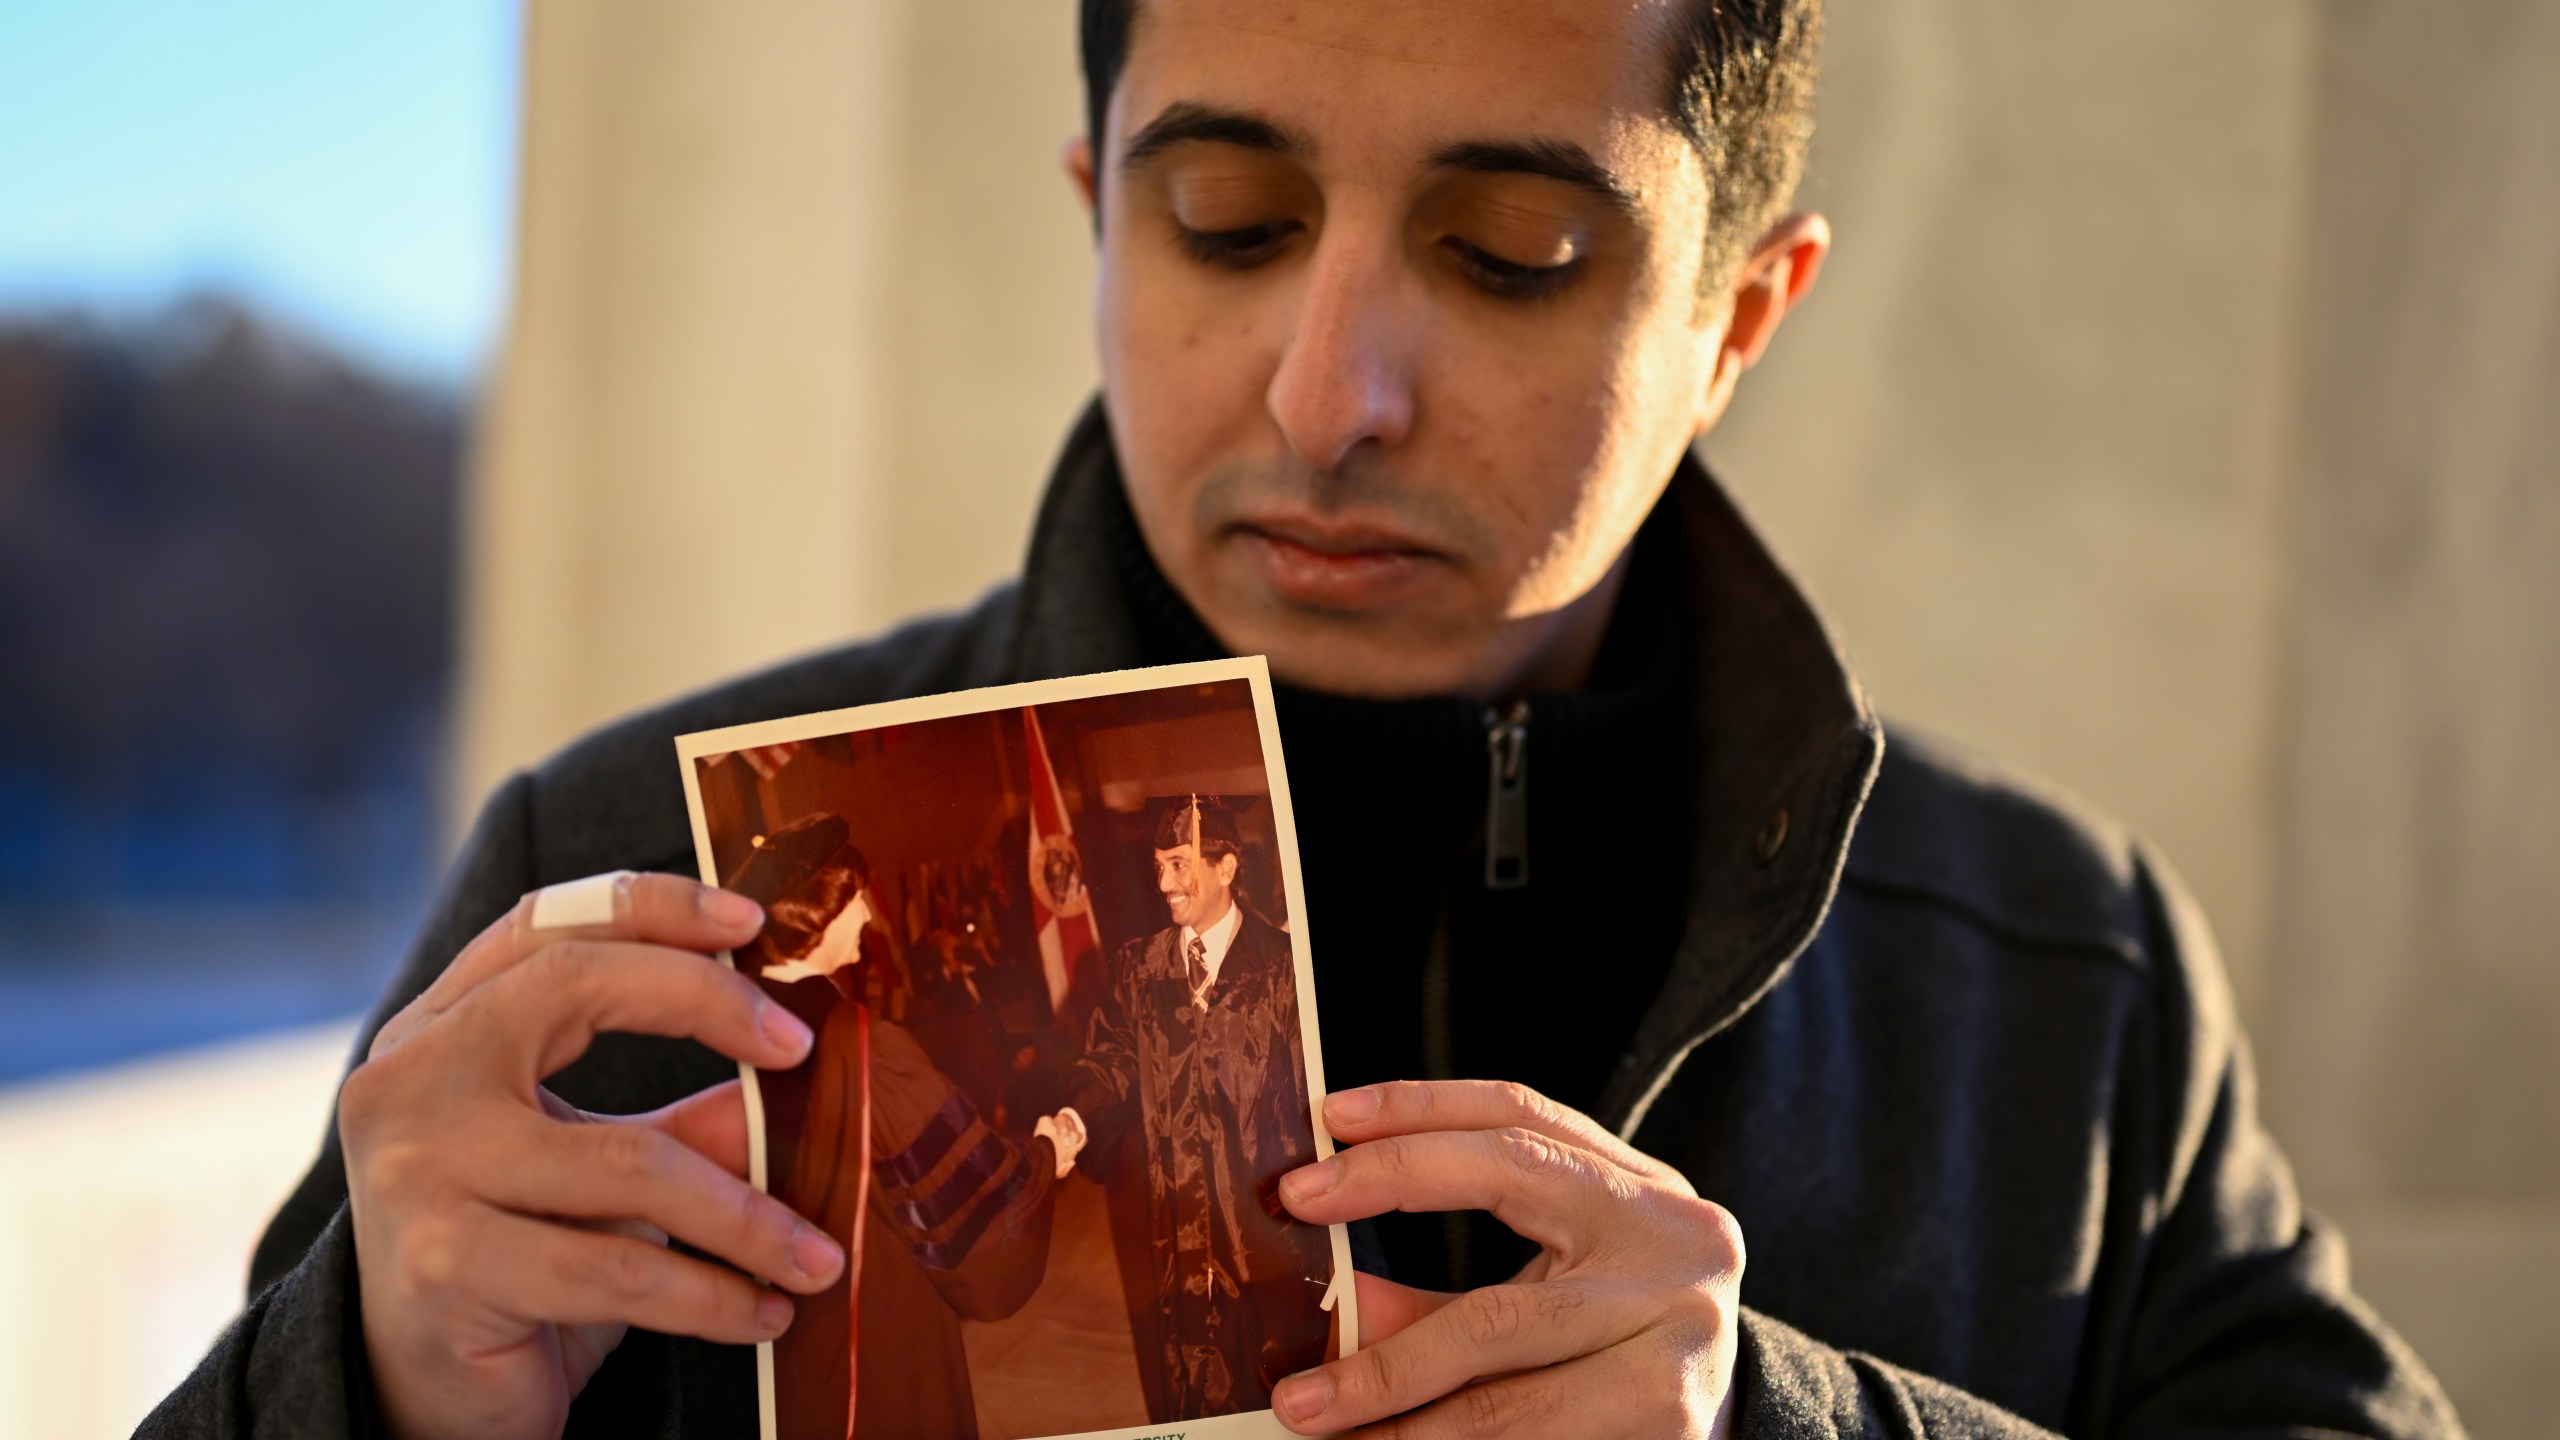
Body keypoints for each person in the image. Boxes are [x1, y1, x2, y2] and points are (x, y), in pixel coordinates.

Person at [144, 1, 2465, 1437]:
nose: (1328, 392)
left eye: (1510, 258)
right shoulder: (632, 872)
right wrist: (375, 1391)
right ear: (1092, 216)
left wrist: (1792, 1426)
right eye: (1229, 222)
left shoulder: (2063, 975)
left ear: (1739, 314)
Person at [725, 814, 1069, 1440]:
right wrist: (1045, 1156)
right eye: (856, 898)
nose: (867, 917)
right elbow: (968, 1189)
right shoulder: (861, 1048)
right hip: (871, 1328)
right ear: (817, 912)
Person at [1048, 796, 1334, 1421]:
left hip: (1264, 1226)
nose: (1164, 883)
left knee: (1271, 1376)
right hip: (1176, 1224)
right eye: (1157, 866)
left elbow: (1319, 1100)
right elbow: (1110, 1061)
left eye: (1179, 864)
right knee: (1189, 1379)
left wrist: (1337, 1229)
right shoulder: (1139, 968)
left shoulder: (1283, 969)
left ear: (1227, 868)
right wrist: (1076, 1116)